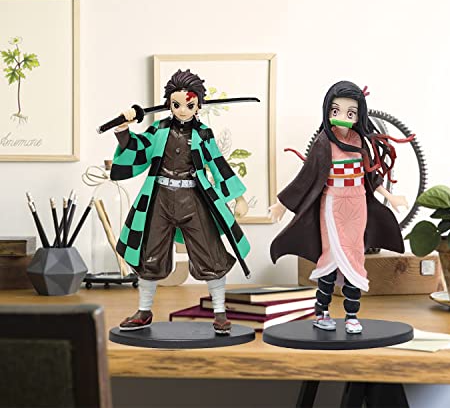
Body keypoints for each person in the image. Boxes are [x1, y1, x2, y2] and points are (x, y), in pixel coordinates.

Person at [110, 69, 249, 335]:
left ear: (198, 106)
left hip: (194, 200)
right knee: (148, 253)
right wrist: (124, 128)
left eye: (189, 105)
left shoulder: (204, 134)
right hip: (159, 199)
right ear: (169, 104)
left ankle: (220, 312)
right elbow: (138, 148)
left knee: (210, 253)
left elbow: (218, 164)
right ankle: (144, 311)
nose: (183, 110)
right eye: (176, 105)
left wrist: (238, 197)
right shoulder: (158, 130)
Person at [269, 81, 413, 334]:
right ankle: (322, 311)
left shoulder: (358, 140)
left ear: (359, 115)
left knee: (355, 257)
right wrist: (282, 204)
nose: (343, 117)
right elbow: (306, 176)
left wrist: (389, 196)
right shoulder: (324, 142)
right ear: (327, 111)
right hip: (333, 203)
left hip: (357, 203)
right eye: (336, 111)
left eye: (350, 112)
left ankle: (351, 315)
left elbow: (370, 176)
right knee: (332, 256)